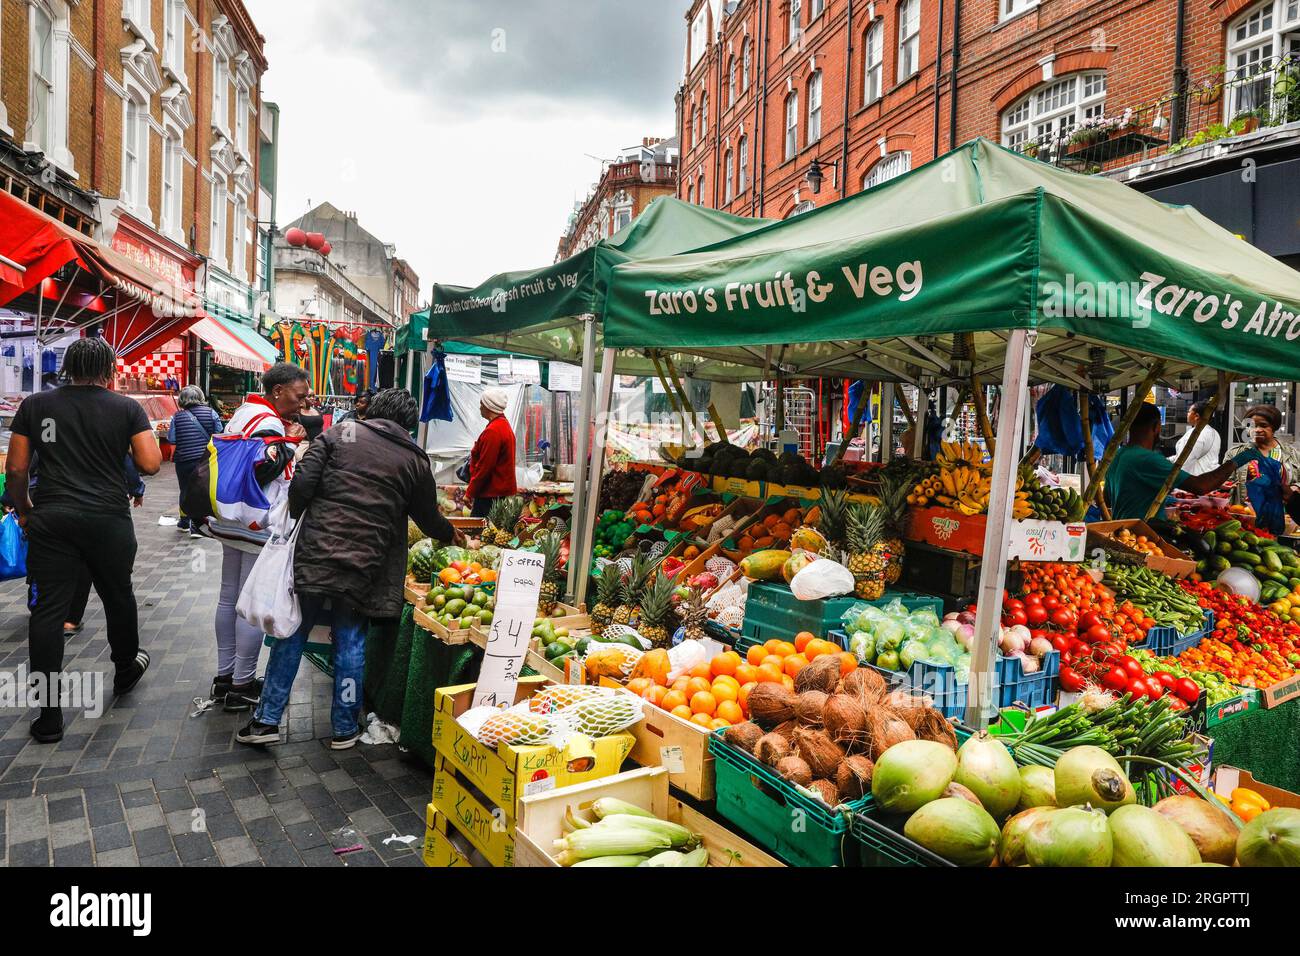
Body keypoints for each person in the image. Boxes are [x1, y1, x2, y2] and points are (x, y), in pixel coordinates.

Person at [236, 389, 460, 749]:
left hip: (317, 552)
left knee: (292, 631)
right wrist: (454, 536)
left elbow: (302, 488)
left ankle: (266, 722)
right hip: (367, 564)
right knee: (351, 640)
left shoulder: (338, 434)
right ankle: (344, 728)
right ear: (407, 423)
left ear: (373, 411)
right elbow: (428, 518)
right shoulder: (414, 459)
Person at [4, 336, 161, 743]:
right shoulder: (126, 408)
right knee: (118, 595)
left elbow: (17, 470)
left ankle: (49, 715)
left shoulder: (36, 406)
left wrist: (24, 511)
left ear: (68, 368)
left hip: (52, 519)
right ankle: (126, 668)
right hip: (108, 519)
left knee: (47, 612)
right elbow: (150, 462)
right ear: (109, 370)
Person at [205, 363, 309, 712]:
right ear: (278, 390)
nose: (302, 404)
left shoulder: (245, 412)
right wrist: (292, 445)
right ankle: (242, 685)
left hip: (229, 515)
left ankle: (224, 677)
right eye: (299, 396)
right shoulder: (267, 421)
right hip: (255, 519)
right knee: (250, 603)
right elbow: (264, 469)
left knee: (228, 595)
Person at [1104, 403, 1260, 520]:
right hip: (1144, 534)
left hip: (1123, 529)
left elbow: (1107, 498)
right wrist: (1235, 462)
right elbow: (1201, 486)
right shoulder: (1148, 459)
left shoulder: (1119, 455)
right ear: (1157, 426)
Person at [1226, 404, 1300, 533]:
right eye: (1252, 426)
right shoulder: (1234, 454)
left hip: (1284, 518)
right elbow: (1226, 484)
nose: (1257, 430)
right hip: (1246, 519)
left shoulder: (1292, 454)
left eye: (1263, 425)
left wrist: (1296, 487)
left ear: (1274, 427)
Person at [167, 385, 223, 533]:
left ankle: (184, 522)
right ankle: (199, 526)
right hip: (206, 460)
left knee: (185, 489)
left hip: (184, 460)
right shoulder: (212, 413)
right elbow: (219, 436)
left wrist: (174, 456)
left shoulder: (177, 417)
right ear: (200, 397)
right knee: (203, 490)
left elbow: (172, 440)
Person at [466, 387, 517, 518]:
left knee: (477, 533)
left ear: (489, 407)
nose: (480, 407)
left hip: (489, 496)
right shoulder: (503, 425)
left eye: (481, 404)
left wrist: (470, 493)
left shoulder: (493, 431)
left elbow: (485, 467)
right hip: (497, 494)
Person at [1169, 401, 1222, 476]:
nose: (1187, 414)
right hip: (1211, 480)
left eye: (1189, 412)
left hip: (1194, 481)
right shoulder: (1215, 433)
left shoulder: (1193, 435)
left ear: (1196, 416)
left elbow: (1185, 462)